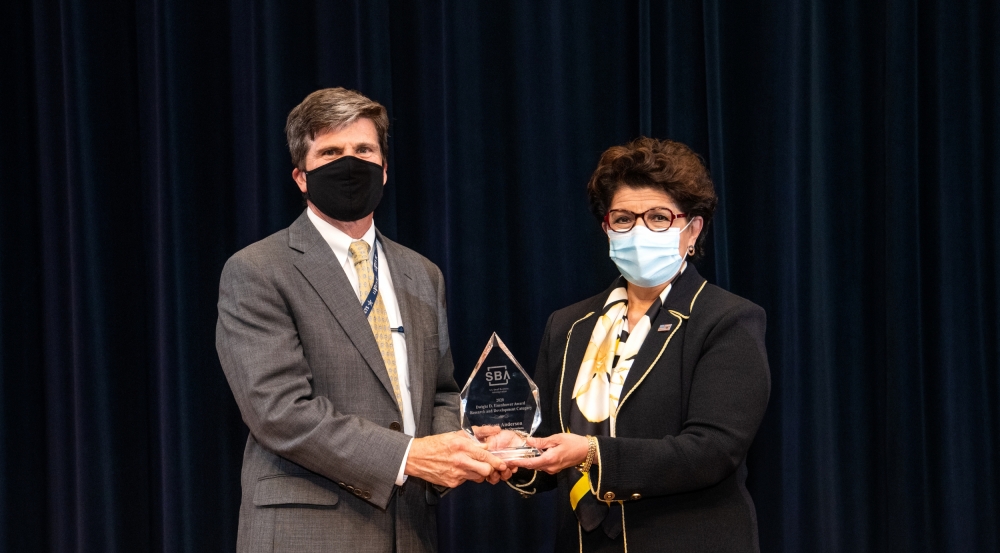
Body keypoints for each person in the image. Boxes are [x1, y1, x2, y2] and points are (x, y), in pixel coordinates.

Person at [216, 87, 510, 553]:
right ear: (301, 176)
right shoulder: (257, 270)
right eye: (330, 152)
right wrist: (412, 456)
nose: (349, 164)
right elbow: (279, 412)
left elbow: (440, 391)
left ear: (385, 169)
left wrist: (466, 443)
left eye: (363, 150)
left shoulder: (421, 273)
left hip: (410, 530)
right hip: (306, 532)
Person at [503, 137, 770, 552]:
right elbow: (550, 447)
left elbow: (712, 452)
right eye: (625, 219)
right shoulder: (569, 325)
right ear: (607, 228)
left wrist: (591, 453)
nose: (640, 231)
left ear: (692, 229)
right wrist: (513, 454)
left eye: (659, 218)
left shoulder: (727, 320)